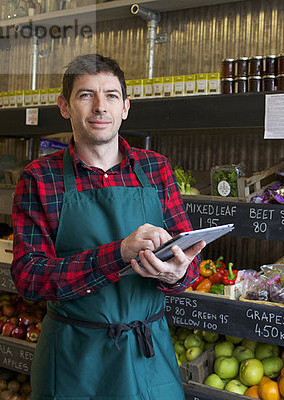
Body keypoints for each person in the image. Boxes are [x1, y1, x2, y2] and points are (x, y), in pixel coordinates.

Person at [11, 53, 205, 399]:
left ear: (125, 107)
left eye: (111, 95)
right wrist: (118, 254)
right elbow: (29, 277)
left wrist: (177, 275)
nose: (101, 106)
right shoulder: (40, 178)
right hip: (74, 357)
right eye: (86, 95)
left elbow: (188, 264)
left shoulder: (156, 169)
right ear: (65, 106)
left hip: (148, 353)